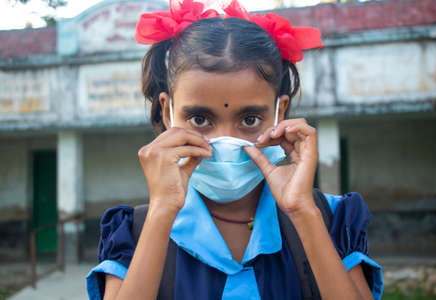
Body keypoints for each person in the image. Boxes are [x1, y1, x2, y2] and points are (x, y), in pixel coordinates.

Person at [86, 0, 383, 299]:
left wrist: (303, 213)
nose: (224, 142)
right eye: (200, 119)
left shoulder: (329, 218)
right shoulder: (135, 231)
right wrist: (161, 212)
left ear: (280, 113)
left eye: (250, 120)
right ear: (168, 112)